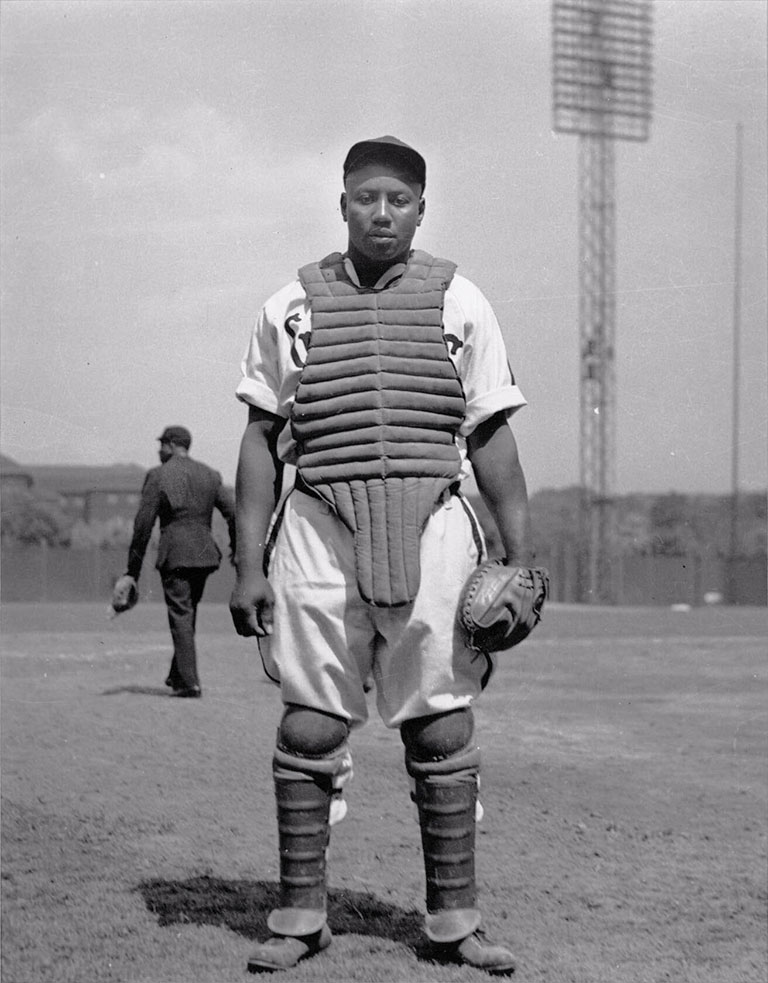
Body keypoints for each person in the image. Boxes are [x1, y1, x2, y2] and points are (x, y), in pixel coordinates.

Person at [230, 136, 534, 974]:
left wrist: (522, 548)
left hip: (434, 522)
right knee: (310, 718)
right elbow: (260, 437)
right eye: (366, 197)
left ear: (422, 208)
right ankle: (299, 914)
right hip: (319, 525)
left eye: (398, 199)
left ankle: (454, 920)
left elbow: (492, 430)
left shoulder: (461, 300)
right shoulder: (291, 304)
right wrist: (247, 562)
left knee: (440, 721)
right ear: (342, 204)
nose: (382, 213)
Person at [125, 425, 236, 698]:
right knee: (187, 613)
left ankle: (188, 682)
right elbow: (234, 512)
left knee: (181, 615)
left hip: (175, 553)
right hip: (205, 555)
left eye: (161, 444)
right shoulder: (210, 474)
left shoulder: (158, 475)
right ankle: (178, 674)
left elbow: (142, 527)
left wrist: (132, 572)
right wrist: (236, 547)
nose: (158, 449)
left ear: (172, 445)